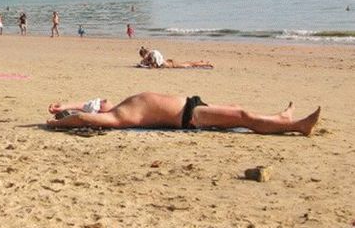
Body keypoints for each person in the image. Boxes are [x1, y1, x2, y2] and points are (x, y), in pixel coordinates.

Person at [46, 91, 321, 136]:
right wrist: (54, 123)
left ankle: (281, 119)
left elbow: (83, 108)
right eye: (98, 105)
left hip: (191, 104)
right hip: (190, 117)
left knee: (240, 113)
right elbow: (84, 117)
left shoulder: (120, 106)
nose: (101, 102)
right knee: (242, 115)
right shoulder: (120, 117)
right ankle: (295, 125)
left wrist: (64, 106)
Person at [139, 46, 213, 69]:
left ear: (145, 54)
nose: (143, 58)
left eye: (143, 56)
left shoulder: (153, 55)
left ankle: (204, 64)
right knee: (188, 63)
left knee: (189, 64)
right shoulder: (152, 53)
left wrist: (145, 65)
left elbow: (154, 66)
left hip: (171, 65)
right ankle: (202, 62)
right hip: (169, 62)